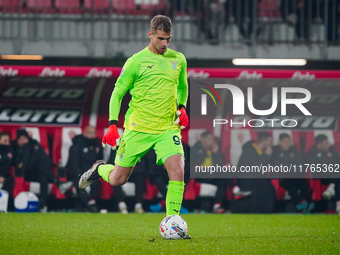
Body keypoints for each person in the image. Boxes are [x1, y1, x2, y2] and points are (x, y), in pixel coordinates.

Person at [79, 15, 190, 235]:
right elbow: (117, 93)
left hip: (167, 128)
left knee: (177, 171)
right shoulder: (135, 62)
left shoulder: (178, 59)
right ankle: (99, 168)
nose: (164, 43)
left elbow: (182, 87)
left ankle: (173, 224)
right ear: (150, 35)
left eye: (168, 39)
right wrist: (112, 125)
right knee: (118, 179)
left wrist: (182, 107)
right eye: (160, 38)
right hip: (137, 129)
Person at [12, 129, 70, 212]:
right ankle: (59, 183)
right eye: (20, 139)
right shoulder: (16, 149)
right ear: (17, 140)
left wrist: (31, 152)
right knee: (42, 170)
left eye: (24, 138)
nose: (23, 141)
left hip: (40, 172)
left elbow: (46, 160)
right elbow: (23, 165)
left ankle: (43, 205)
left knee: (43, 176)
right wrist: (27, 150)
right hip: (26, 174)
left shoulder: (34, 145)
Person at [233, 132, 276, 213]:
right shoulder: (249, 150)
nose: (270, 144)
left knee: (269, 189)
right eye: (270, 141)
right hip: (246, 179)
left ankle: (267, 212)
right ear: (266, 141)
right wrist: (266, 155)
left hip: (256, 179)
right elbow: (254, 167)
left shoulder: (260, 151)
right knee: (260, 191)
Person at [191, 131, 233, 213]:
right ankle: (234, 188)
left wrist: (216, 153)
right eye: (209, 139)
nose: (212, 142)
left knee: (222, 180)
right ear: (203, 139)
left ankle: (217, 205)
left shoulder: (215, 151)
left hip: (214, 176)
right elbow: (193, 167)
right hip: (201, 176)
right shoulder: (194, 150)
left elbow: (222, 165)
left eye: (213, 140)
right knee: (222, 173)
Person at [272, 133, 313, 213]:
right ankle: (298, 205)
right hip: (285, 178)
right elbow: (274, 164)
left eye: (288, 141)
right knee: (292, 187)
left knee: (305, 184)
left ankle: (303, 202)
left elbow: (302, 163)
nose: (286, 143)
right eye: (284, 141)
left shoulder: (294, 151)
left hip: (297, 176)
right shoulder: (275, 152)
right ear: (279, 142)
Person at [65, 125, 103, 212]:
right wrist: (81, 175)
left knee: (96, 181)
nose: (93, 136)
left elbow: (100, 160)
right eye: (90, 133)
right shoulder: (76, 145)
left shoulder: (97, 145)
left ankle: (92, 202)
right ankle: (88, 204)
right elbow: (74, 165)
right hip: (77, 173)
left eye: (94, 133)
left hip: (91, 172)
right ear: (85, 133)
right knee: (79, 183)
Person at [305, 134, 340, 214]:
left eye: (328, 143)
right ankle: (332, 189)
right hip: (320, 177)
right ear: (318, 145)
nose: (328, 145)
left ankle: (332, 189)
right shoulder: (311, 154)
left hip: (332, 176)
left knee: (338, 179)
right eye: (325, 143)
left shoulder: (332, 151)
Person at [107, 148, 145, 214]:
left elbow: (142, 165)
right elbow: (111, 161)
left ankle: (138, 205)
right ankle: (121, 205)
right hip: (120, 171)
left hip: (134, 172)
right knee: (115, 177)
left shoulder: (138, 145)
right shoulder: (117, 146)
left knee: (139, 176)